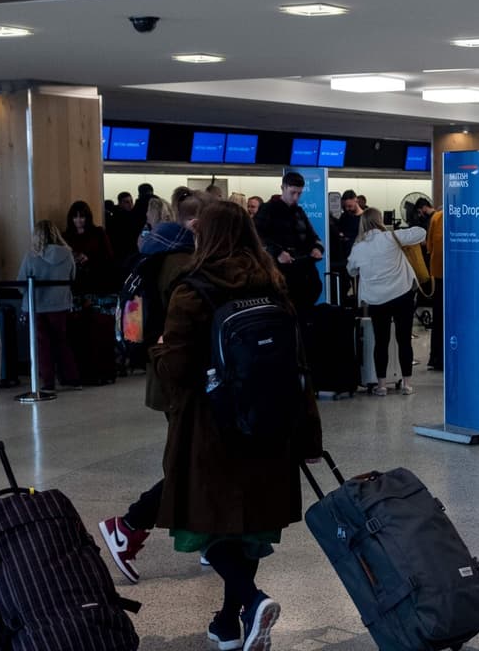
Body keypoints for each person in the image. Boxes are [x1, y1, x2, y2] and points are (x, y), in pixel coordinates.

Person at [151, 200, 321, 651]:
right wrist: (309, 432)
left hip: (212, 427)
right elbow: (298, 365)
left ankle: (252, 598)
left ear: (205, 237)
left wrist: (159, 349)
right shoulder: (273, 283)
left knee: (205, 525)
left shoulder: (193, 289)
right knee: (248, 527)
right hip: (270, 423)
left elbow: (176, 370)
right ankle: (229, 622)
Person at [99, 188, 209, 584]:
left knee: (193, 459)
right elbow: (186, 329)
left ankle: (206, 537)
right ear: (195, 224)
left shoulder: (160, 254)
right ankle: (128, 525)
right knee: (192, 462)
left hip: (165, 375)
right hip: (182, 378)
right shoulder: (183, 265)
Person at [347, 207, 426, 396]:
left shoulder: (358, 247)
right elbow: (421, 232)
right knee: (404, 339)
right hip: (402, 294)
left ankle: (381, 385)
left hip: (376, 300)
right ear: (379, 220)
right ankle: (406, 384)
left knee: (381, 341)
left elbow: (351, 270)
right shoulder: (391, 237)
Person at [17, 220, 79, 391]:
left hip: (36, 306)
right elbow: (72, 277)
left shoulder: (31, 256)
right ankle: (71, 378)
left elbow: (21, 283)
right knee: (62, 342)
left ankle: (48, 382)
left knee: (42, 345)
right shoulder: (67, 254)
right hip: (60, 304)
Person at [254, 172, 324, 311]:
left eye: (299, 193)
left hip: (302, 271)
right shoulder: (267, 209)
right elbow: (257, 237)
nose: (296, 197)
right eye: (293, 193)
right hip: (279, 272)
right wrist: (277, 252)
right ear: (283, 188)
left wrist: (317, 248)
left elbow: (312, 236)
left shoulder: (299, 211)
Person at [63, 200, 116, 296]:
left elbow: (109, 255)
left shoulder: (98, 232)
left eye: (81, 217)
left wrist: (89, 257)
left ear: (87, 217)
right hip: (75, 279)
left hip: (96, 277)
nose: (78, 220)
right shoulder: (66, 236)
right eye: (75, 217)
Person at [425, 209, 444, 371]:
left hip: (438, 274)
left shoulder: (436, 217)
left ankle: (436, 357)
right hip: (458, 277)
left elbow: (429, 246)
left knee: (438, 317)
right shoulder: (465, 217)